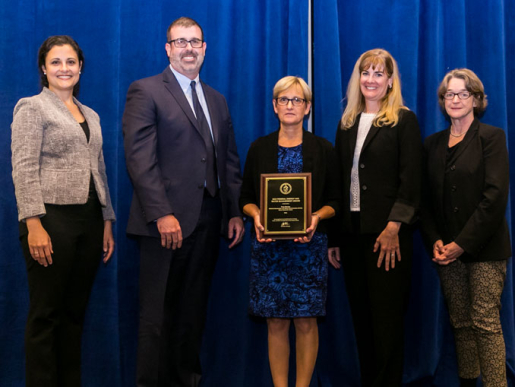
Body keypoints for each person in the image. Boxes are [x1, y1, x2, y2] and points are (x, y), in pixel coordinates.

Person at [122, 16, 244, 387]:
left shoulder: (216, 100)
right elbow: (140, 159)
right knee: (158, 316)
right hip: (165, 224)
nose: (189, 48)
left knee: (193, 314)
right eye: (180, 42)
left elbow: (229, 161)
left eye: (195, 42)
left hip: (209, 219)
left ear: (205, 48)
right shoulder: (146, 91)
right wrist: (162, 214)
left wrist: (234, 212)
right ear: (168, 48)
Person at [11, 35, 115, 387]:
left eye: (70, 62)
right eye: (56, 62)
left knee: (74, 315)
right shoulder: (31, 107)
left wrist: (106, 220)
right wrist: (33, 224)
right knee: (46, 316)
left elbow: (98, 169)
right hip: (50, 220)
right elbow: (23, 168)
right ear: (43, 68)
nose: (64, 69)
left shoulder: (91, 114)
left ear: (81, 67)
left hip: (88, 221)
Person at [328, 48, 422, 386]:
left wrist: (394, 225)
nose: (371, 79)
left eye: (378, 73)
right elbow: (339, 182)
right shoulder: (347, 122)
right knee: (362, 321)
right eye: (365, 73)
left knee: (386, 323)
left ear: (390, 81)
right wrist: (335, 238)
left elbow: (412, 181)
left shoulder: (404, 120)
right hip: (352, 237)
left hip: (389, 239)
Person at [240, 76, 340, 387]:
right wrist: (256, 215)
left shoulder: (323, 149)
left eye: (297, 100)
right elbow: (245, 199)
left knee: (307, 321)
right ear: (274, 105)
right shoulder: (260, 148)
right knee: (275, 322)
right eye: (284, 99)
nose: (290, 106)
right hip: (269, 249)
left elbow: (335, 201)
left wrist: (315, 217)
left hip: (308, 248)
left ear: (308, 107)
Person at [421, 69, 511, 387]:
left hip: (485, 247)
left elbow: (495, 197)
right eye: (449, 94)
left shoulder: (492, 137)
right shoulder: (431, 145)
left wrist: (462, 243)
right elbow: (426, 202)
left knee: (485, 322)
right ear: (442, 100)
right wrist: (435, 241)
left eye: (463, 94)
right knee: (460, 322)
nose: (455, 100)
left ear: (476, 100)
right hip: (446, 252)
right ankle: (468, 382)